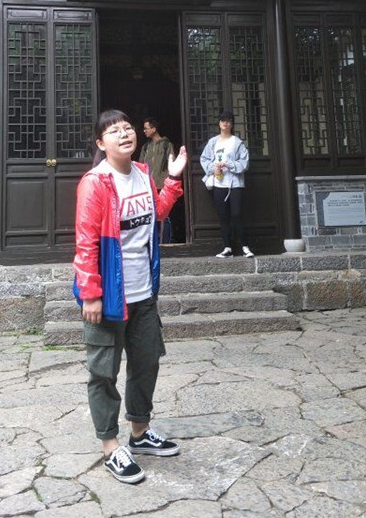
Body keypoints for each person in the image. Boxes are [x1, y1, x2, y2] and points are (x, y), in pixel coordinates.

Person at [73, 109, 188, 484]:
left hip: (143, 292)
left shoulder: (141, 173)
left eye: (127, 128)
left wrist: (173, 178)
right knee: (103, 373)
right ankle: (111, 447)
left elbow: (158, 212)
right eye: (114, 131)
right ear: (100, 143)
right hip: (108, 296)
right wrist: (90, 294)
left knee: (146, 362)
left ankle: (139, 433)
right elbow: (86, 242)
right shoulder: (96, 183)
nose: (124, 134)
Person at [200, 109, 254, 258]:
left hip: (235, 183)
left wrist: (229, 164)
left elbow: (244, 163)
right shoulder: (213, 142)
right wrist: (213, 168)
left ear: (232, 124)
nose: (225, 123)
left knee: (237, 214)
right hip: (219, 183)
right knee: (223, 216)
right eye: (223, 120)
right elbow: (204, 159)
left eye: (228, 121)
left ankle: (245, 246)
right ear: (219, 123)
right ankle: (227, 247)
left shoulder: (237, 142)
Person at [140, 117, 175, 243]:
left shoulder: (167, 145)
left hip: (162, 186)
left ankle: (166, 243)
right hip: (148, 186)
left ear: (154, 129)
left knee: (165, 215)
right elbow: (140, 165)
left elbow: (172, 165)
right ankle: (153, 242)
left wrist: (168, 182)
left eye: (146, 128)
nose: (144, 131)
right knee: (149, 215)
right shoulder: (146, 147)